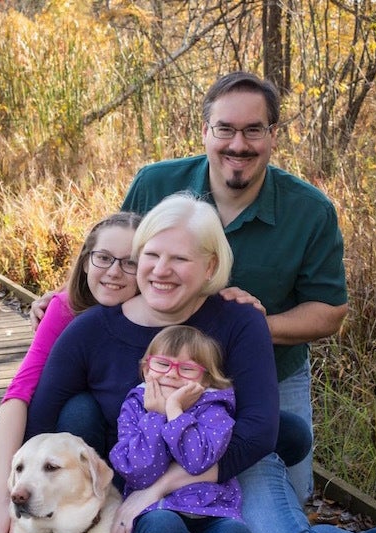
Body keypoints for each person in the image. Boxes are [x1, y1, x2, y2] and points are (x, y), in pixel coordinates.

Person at [18, 193, 376, 533]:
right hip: (146, 467)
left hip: (231, 461)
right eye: (151, 255)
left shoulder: (238, 320)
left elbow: (259, 431)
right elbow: (37, 424)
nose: (161, 269)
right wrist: (7, 507)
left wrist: (156, 489)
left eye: (180, 258)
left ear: (210, 267)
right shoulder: (90, 330)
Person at [30, 71, 349, 504]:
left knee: (285, 498)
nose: (239, 144)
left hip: (268, 369)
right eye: (225, 129)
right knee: (136, 452)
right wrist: (68, 300)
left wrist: (248, 328)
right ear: (205, 132)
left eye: (254, 130)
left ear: (273, 135)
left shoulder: (310, 211)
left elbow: (329, 311)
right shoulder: (156, 185)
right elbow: (125, 260)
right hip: (165, 363)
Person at [0, 211, 141, 533]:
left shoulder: (156, 315)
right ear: (87, 258)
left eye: (130, 262)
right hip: (74, 445)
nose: (114, 272)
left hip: (132, 447)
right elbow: (18, 394)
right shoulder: (65, 309)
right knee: (80, 408)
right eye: (103, 258)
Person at [110, 325, 253, 533]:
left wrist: (175, 411)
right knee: (166, 528)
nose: (172, 374)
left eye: (186, 369)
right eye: (162, 364)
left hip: (213, 513)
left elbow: (197, 461)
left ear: (207, 379)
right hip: (154, 516)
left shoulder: (216, 410)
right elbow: (139, 473)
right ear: (145, 369)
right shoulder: (135, 406)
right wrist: (155, 415)